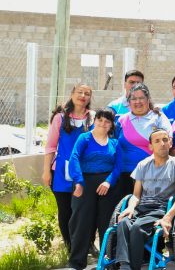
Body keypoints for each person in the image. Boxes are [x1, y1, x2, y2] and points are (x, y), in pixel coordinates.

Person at [114, 128, 175, 270]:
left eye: (165, 140)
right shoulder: (143, 164)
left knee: (137, 227)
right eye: (157, 141)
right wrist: (130, 208)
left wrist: (168, 217)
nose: (162, 143)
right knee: (123, 222)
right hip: (142, 206)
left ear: (170, 143)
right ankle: (125, 265)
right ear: (150, 146)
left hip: (161, 208)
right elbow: (136, 195)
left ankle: (135, 266)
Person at [67, 109, 121, 270]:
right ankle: (77, 262)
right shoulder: (85, 138)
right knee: (81, 222)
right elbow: (74, 157)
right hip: (85, 183)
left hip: (107, 186)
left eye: (107, 121)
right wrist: (78, 182)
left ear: (111, 125)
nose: (103, 124)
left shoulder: (114, 143)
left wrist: (108, 182)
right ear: (94, 120)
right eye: (100, 120)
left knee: (107, 223)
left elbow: (118, 167)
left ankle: (109, 261)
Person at [43, 83, 94, 250]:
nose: (83, 96)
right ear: (72, 94)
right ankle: (70, 245)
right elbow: (50, 146)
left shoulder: (92, 117)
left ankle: (87, 244)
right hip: (60, 172)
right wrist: (46, 172)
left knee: (84, 210)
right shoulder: (60, 117)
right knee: (65, 210)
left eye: (87, 93)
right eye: (79, 92)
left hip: (85, 171)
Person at [114, 83, 173, 195]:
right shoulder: (122, 120)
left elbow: (168, 142)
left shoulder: (158, 117)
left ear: (148, 99)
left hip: (152, 173)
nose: (138, 102)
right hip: (124, 173)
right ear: (129, 101)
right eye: (134, 99)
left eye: (141, 98)